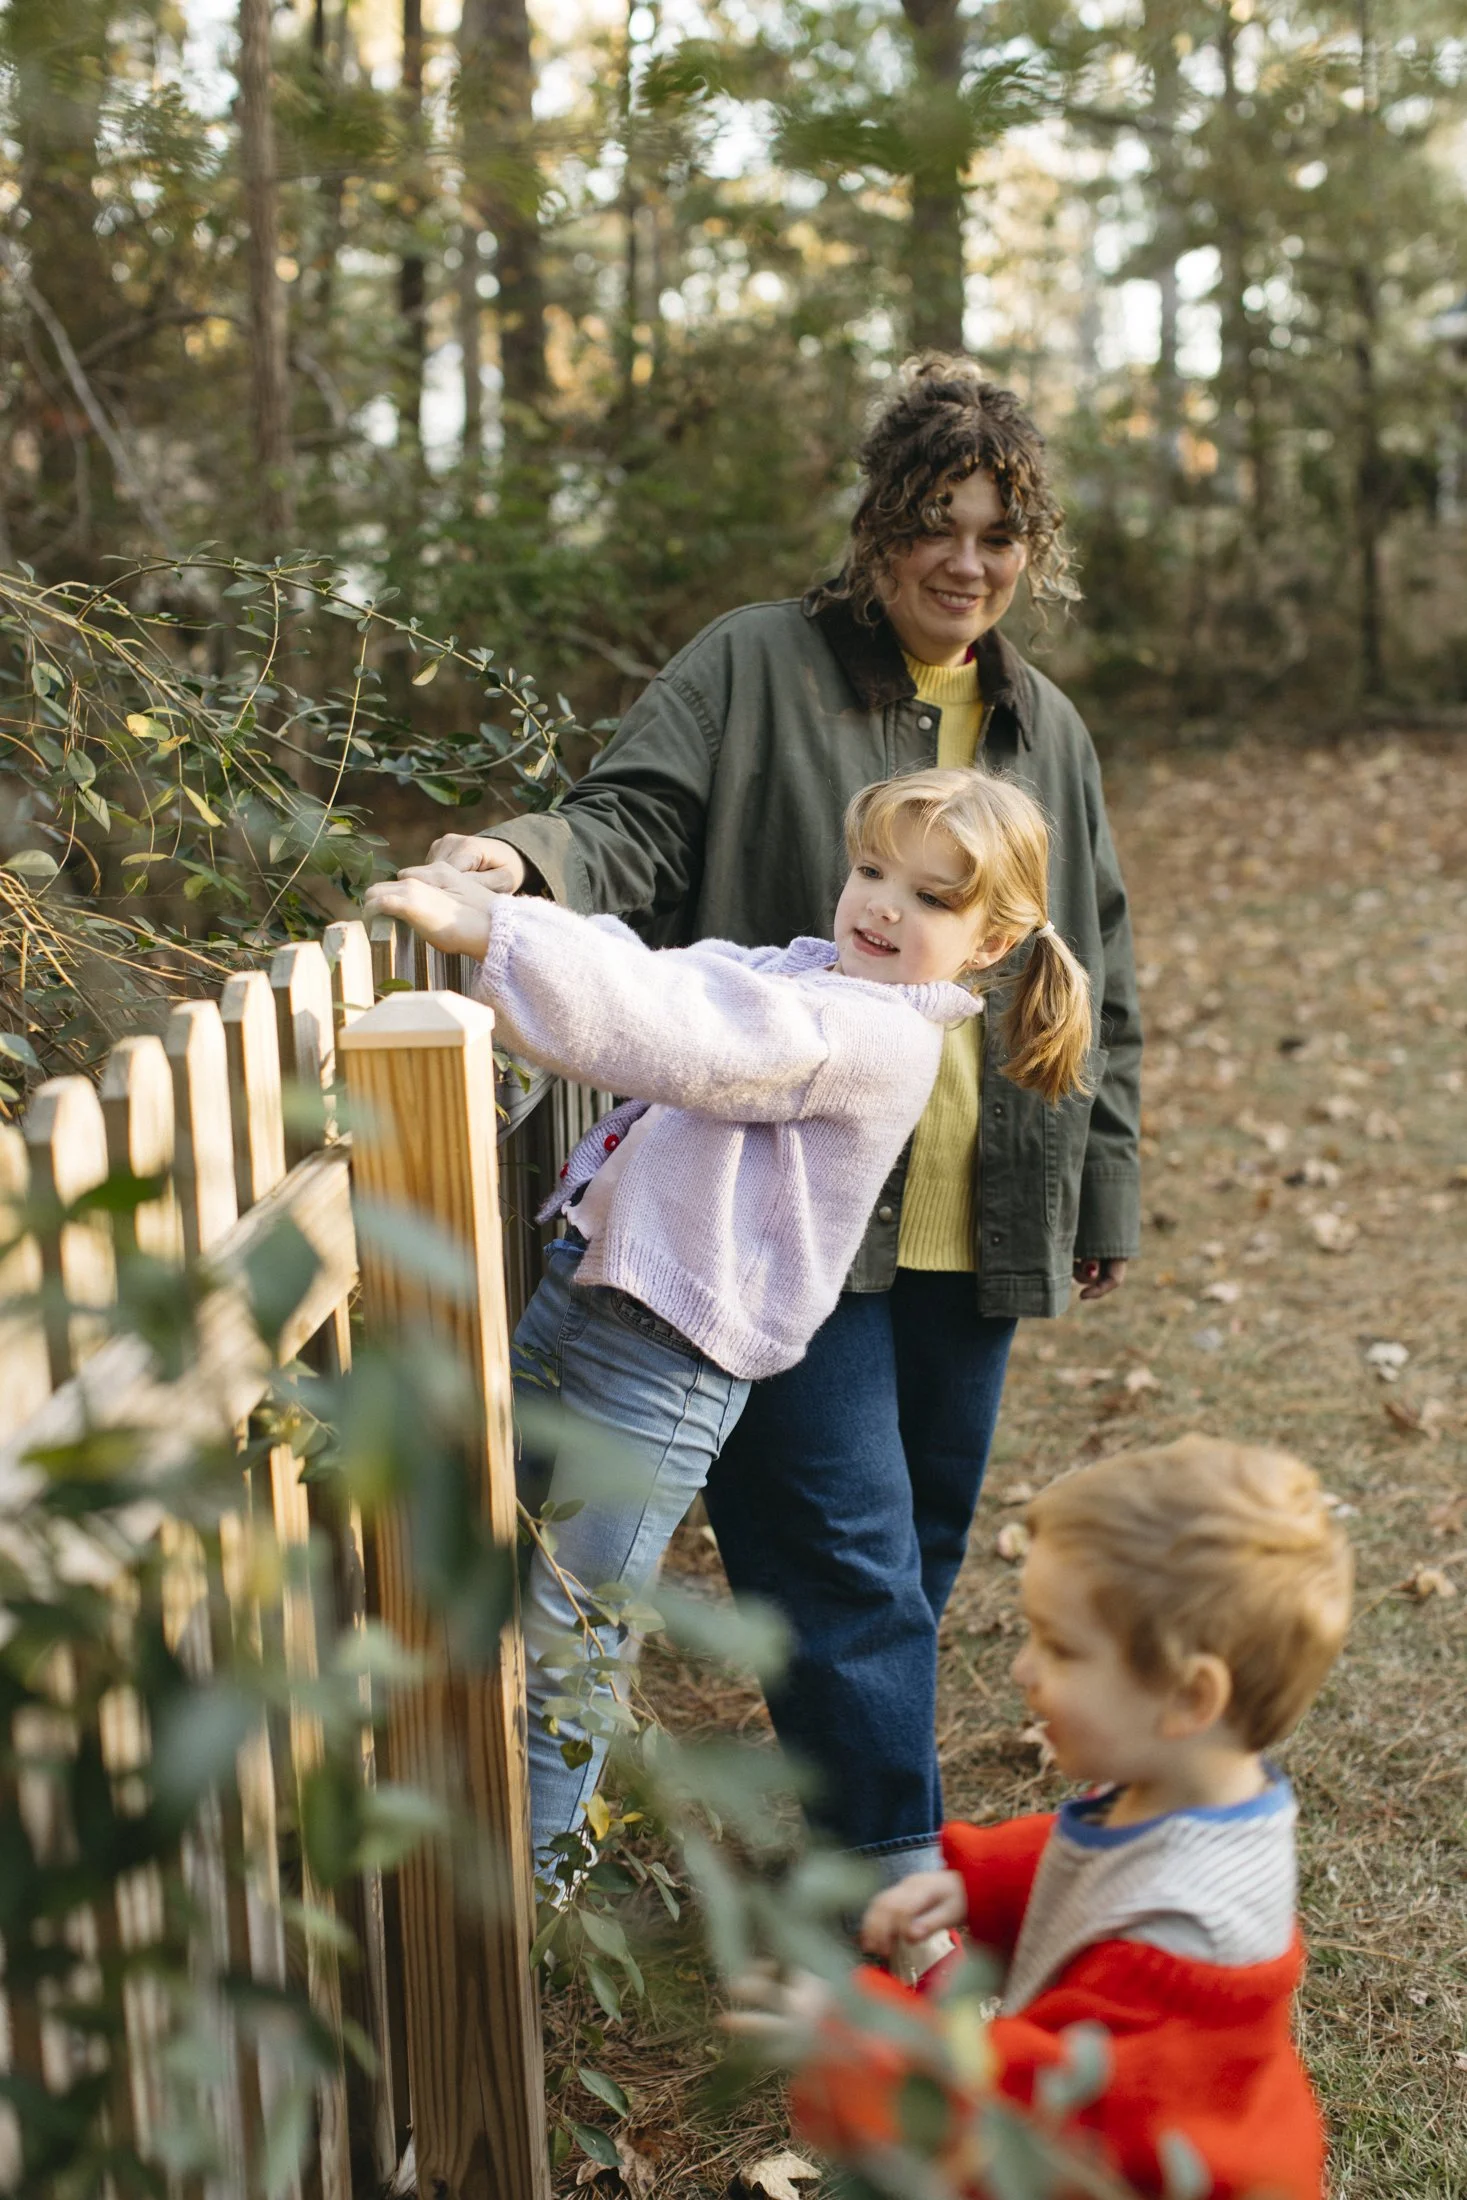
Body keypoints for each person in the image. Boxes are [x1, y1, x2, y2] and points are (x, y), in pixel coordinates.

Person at [421, 356, 1143, 1883]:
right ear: (877, 527)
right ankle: (892, 1888)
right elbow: (630, 816)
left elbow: (1100, 961)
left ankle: (844, 1824)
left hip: (982, 1204)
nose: (965, 560)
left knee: (916, 1553)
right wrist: (523, 863)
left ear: (1032, 548)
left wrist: (1104, 1190)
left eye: (998, 531)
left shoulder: (1044, 726)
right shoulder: (757, 663)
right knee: (847, 1561)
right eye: (934, 522)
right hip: (800, 1212)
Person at [366, 767, 1094, 1864]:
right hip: (588, 1295)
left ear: (992, 943)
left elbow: (688, 1032)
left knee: (577, 1619)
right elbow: (660, 971)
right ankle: (448, 1806)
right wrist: (523, 916)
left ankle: (532, 1879)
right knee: (489, 1540)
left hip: (669, 1357)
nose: (885, 905)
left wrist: (498, 937)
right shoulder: (805, 975)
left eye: (934, 899)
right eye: (872, 869)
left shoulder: (869, 1036)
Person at [753, 1436, 1354, 2200]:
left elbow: (1038, 2106)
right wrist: (981, 1882)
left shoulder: (1181, 1944)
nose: (1021, 1668)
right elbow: (1108, 1846)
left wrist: (862, 2037)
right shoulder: (1201, 1792)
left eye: (1061, 1648)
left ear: (1188, 1697)